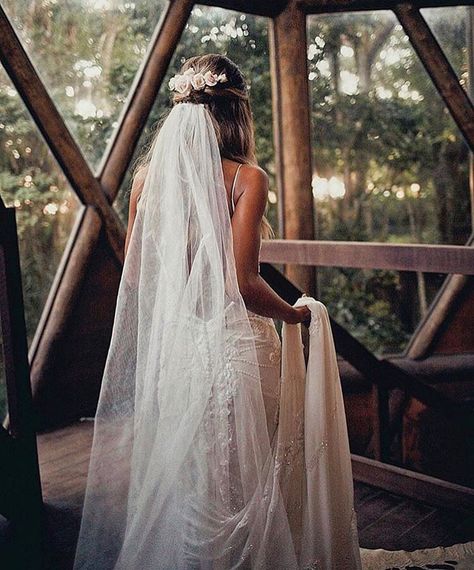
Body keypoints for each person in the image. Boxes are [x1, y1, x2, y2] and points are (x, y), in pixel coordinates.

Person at [73, 54, 359, 569]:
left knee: (197, 484)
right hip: (235, 348)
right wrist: (296, 317)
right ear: (236, 114)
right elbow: (244, 285)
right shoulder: (247, 179)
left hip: (179, 352)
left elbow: (137, 278)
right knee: (248, 478)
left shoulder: (145, 182)